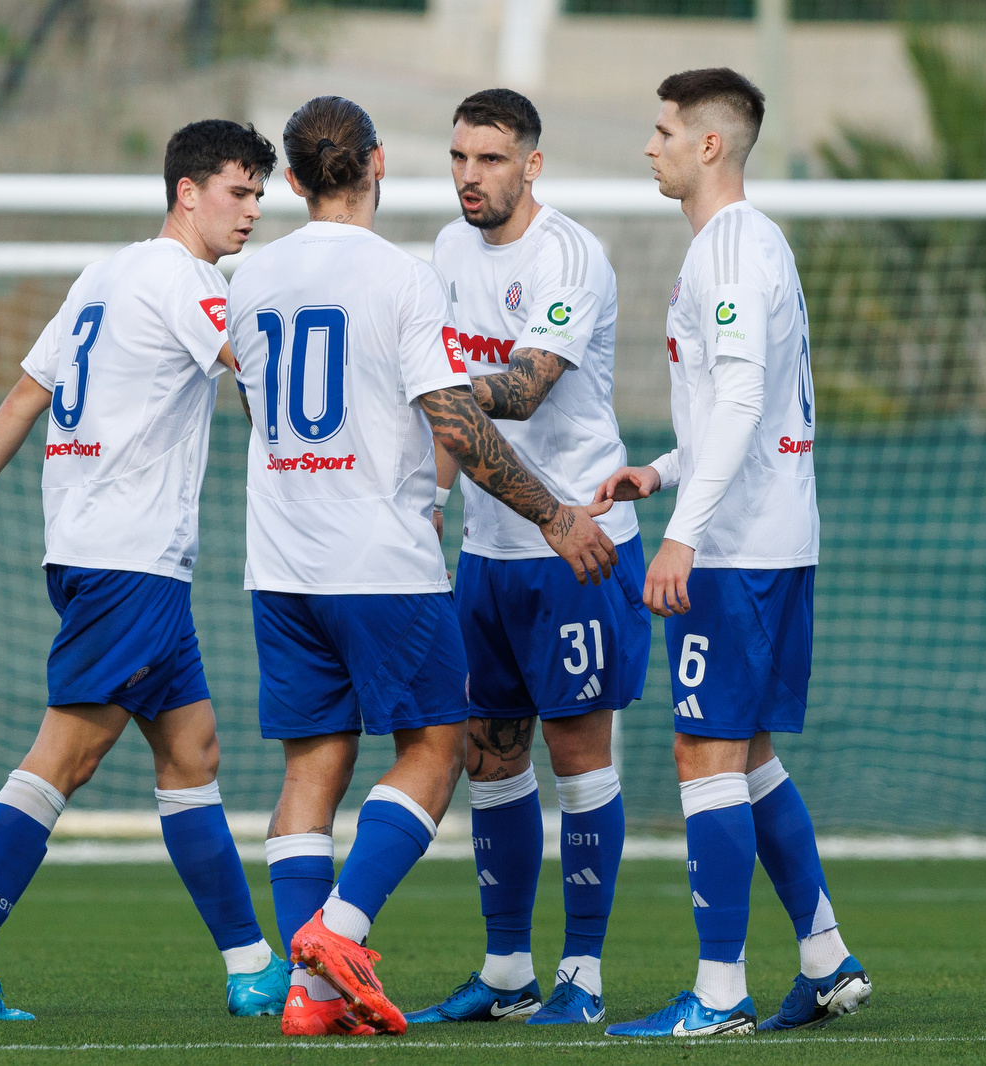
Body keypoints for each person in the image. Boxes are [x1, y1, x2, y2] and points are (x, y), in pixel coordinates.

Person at [227, 95, 617, 1038]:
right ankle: (341, 933)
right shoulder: (401, 275)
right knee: (438, 750)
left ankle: (310, 998)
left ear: (288, 181)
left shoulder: (247, 277)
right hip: (382, 559)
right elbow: (456, 424)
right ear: (378, 163)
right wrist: (558, 513)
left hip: (279, 560)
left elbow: (255, 406)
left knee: (310, 770)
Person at [0, 120, 289, 1021]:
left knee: (192, 755)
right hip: (128, 562)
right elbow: (253, 370)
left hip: (100, 554)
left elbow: (28, 392)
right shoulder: (181, 278)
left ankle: (251, 966)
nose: (252, 212)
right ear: (187, 192)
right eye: (239, 192)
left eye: (260, 196)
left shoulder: (106, 272)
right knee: (65, 758)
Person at [595, 68, 870, 1039]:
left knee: (701, 750)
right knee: (746, 753)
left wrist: (682, 536)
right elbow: (730, 414)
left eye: (663, 129)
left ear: (708, 144)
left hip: (738, 550)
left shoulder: (729, 251)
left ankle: (718, 995)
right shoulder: (748, 246)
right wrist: (660, 475)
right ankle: (828, 956)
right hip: (770, 535)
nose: (651, 144)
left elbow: (747, 403)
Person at [406, 88, 648, 1028]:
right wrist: (429, 495)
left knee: (577, 753)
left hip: (576, 545)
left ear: (531, 165)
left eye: (492, 158)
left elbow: (520, 392)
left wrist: (417, 384)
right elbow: (454, 417)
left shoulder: (568, 256)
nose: (472, 176)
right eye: (461, 157)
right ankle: (508, 971)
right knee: (489, 755)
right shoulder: (445, 249)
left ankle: (582, 974)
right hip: (490, 550)